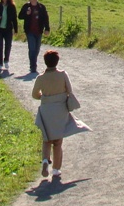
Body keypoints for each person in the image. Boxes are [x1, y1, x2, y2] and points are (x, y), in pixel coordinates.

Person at [32, 50, 89, 179]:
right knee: (57, 142)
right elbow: (69, 90)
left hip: (46, 109)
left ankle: (45, 161)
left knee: (47, 139)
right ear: (57, 61)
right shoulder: (63, 75)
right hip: (60, 109)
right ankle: (56, 169)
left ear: (45, 62)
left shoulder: (40, 78)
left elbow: (35, 94)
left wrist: (43, 96)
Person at [18, 0, 50, 74]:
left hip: (39, 30)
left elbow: (45, 18)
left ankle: (33, 63)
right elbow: (20, 16)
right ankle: (33, 67)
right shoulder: (26, 6)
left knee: (37, 49)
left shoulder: (41, 7)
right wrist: (26, 14)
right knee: (32, 48)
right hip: (29, 31)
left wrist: (47, 29)